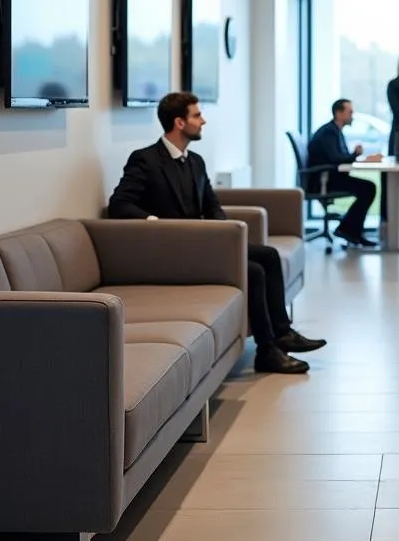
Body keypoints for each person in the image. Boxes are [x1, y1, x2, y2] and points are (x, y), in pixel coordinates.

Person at [108, 91, 328, 374]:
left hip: (205, 244)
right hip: (173, 253)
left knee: (269, 255)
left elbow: (212, 205)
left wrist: (224, 235)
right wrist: (154, 222)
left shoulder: (196, 161)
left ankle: (282, 333)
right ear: (178, 122)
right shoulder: (146, 160)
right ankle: (268, 352)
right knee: (255, 271)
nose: (203, 121)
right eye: (197, 115)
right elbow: (119, 204)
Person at [307, 99, 380, 248]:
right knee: (368, 188)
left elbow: (341, 158)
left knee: (367, 188)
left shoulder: (335, 131)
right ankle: (349, 230)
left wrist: (361, 157)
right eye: (350, 112)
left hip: (330, 176)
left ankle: (350, 230)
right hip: (324, 180)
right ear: (338, 113)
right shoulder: (329, 132)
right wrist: (356, 155)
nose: (352, 115)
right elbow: (337, 159)